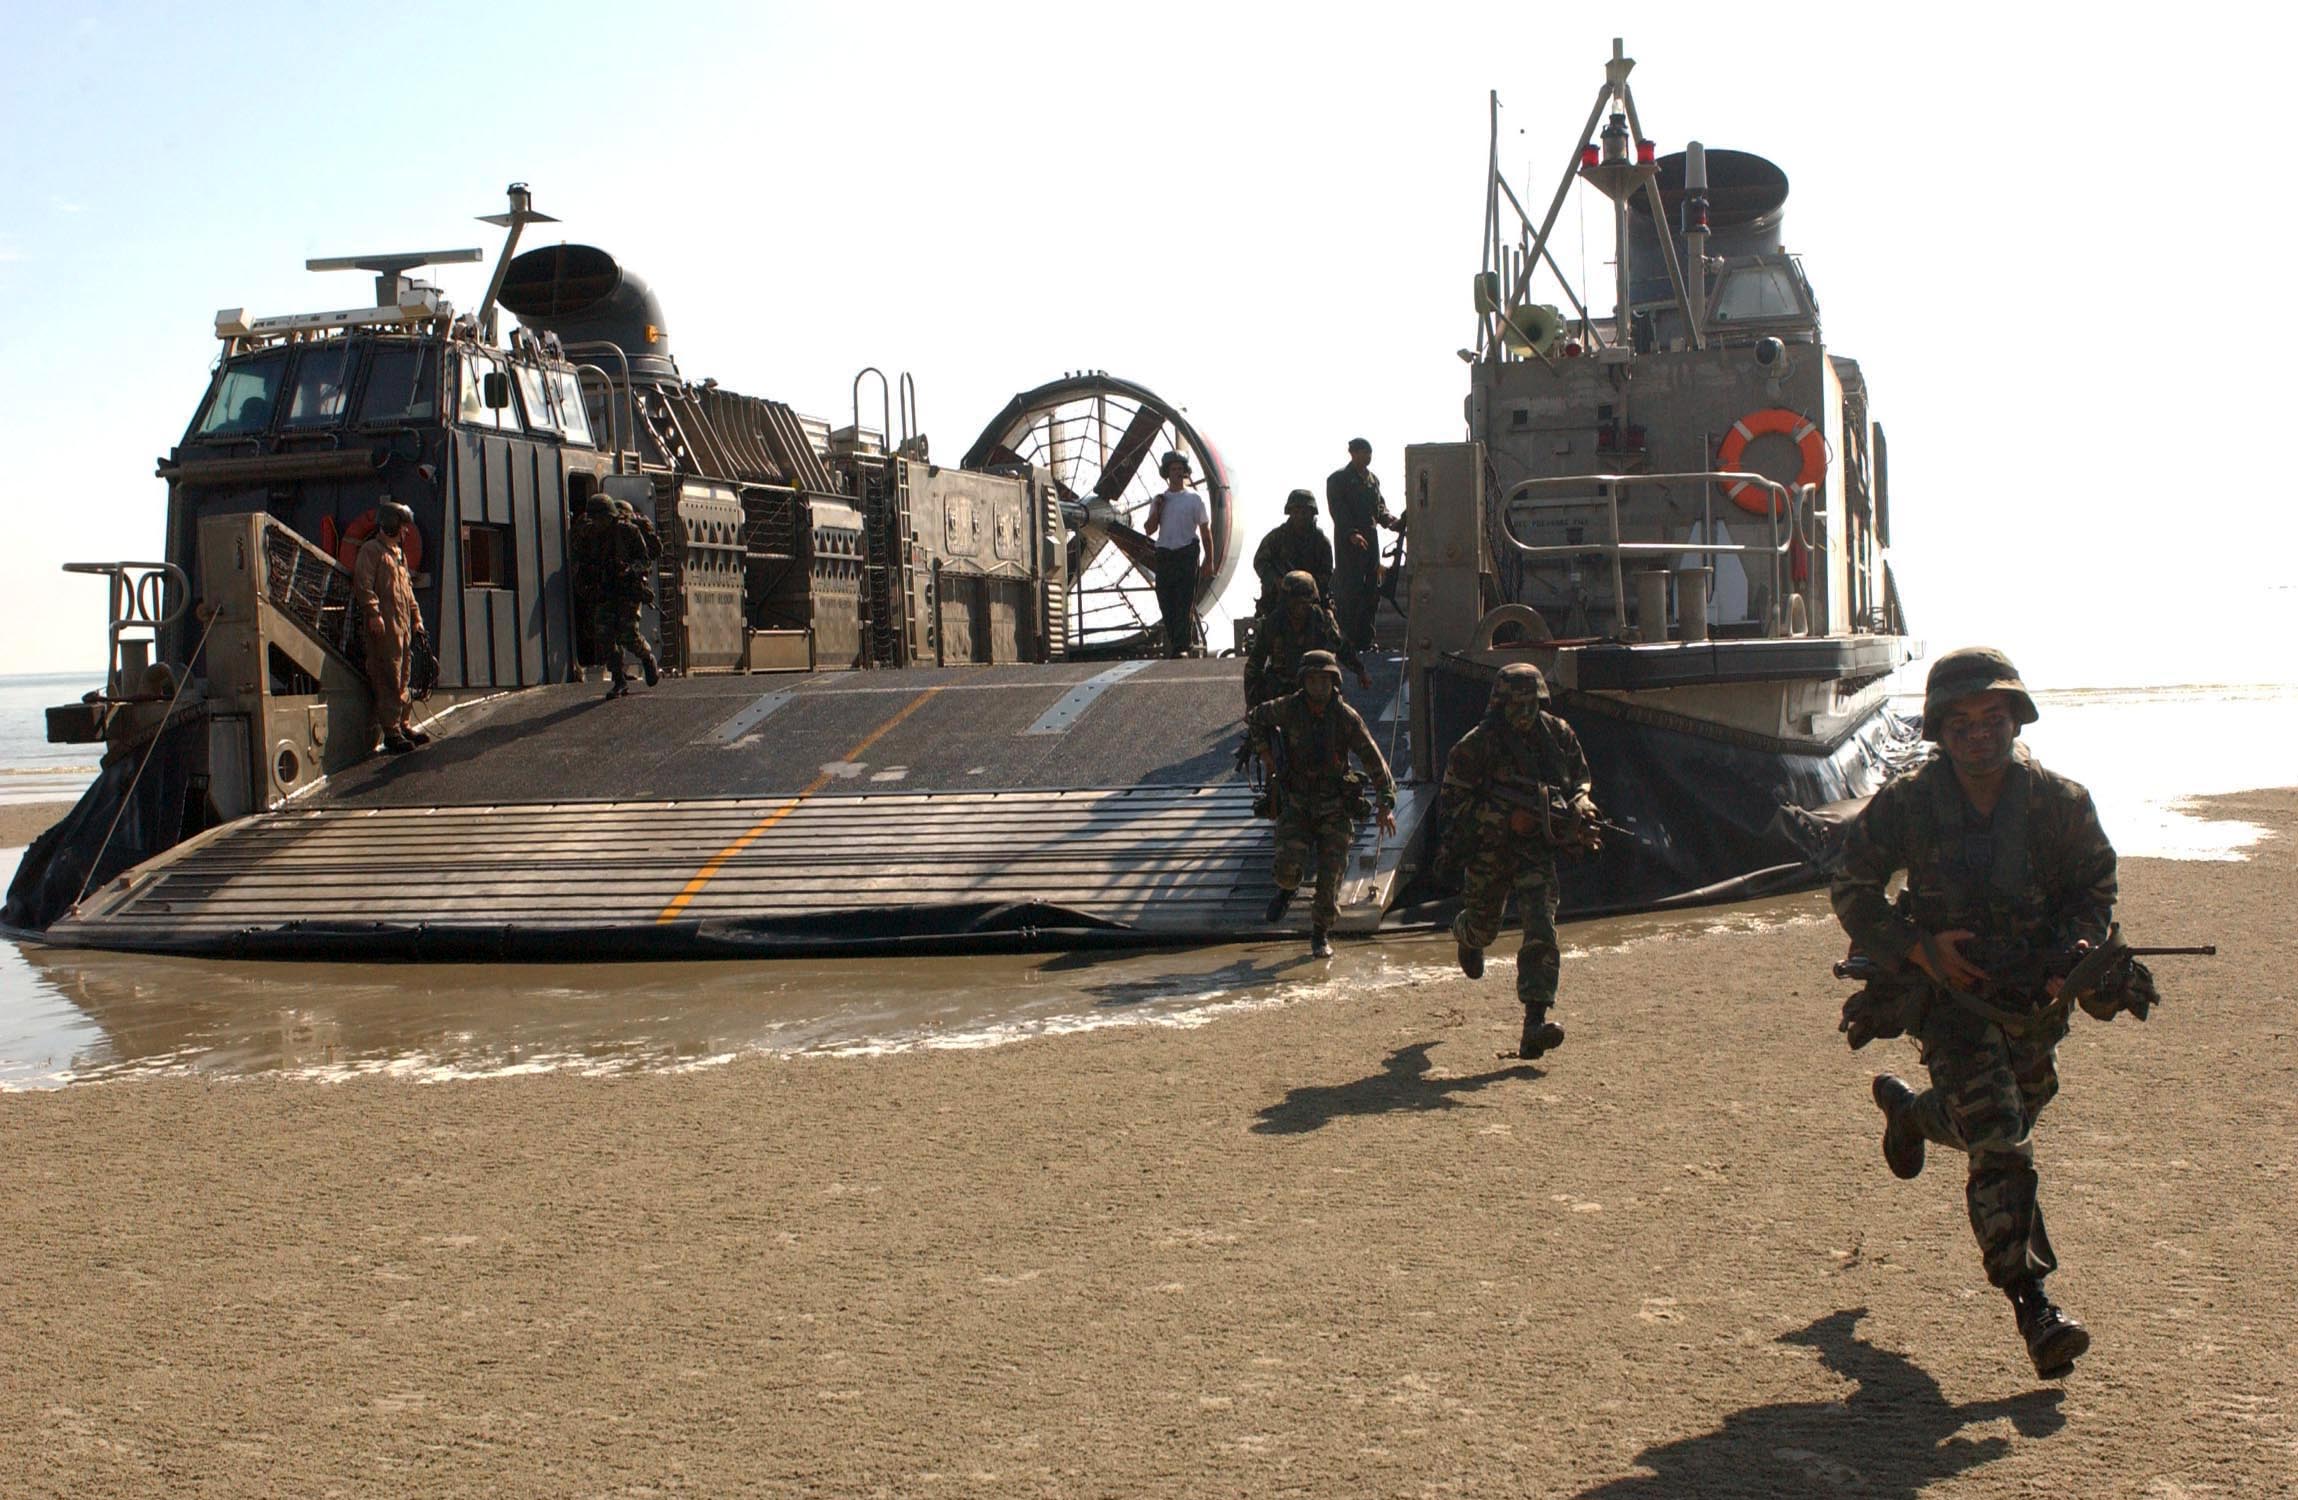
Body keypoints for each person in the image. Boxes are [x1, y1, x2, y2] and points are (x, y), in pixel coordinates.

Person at [1830, 647, 2117, 1381]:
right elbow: (1851, 886)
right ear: (1938, 731)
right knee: (2001, 1138)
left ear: (2016, 718)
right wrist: (1918, 949)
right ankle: (2034, 1304)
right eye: (1960, 722)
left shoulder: (2060, 803)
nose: (1979, 733)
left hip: (2031, 1005)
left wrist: (2077, 950)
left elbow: (2095, 886)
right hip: (1948, 1001)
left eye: (1993, 717)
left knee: (2018, 1108)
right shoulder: (1909, 802)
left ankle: (1914, 1117)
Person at [1437, 663, 1599, 1060]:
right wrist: (1506, 819)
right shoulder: (1475, 746)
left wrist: (1582, 805)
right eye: (1516, 705)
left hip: (1535, 850)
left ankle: (1534, 1023)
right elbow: (1451, 808)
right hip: (1488, 851)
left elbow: (1579, 779)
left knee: (1542, 928)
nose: (1525, 713)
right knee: (1483, 928)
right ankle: (1465, 934)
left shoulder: (1558, 735)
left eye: (1532, 703)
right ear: (1500, 704)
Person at [1246, 649, 1397, 958]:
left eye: (1324, 680)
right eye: (1313, 680)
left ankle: (1320, 934)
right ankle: (1287, 889)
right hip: (1298, 804)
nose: (1318, 687)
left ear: (1334, 683)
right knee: (1287, 868)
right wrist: (1265, 751)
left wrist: (1386, 802)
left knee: (1330, 882)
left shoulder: (1345, 718)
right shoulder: (1288, 709)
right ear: (1304, 681)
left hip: (1335, 808)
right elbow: (1254, 717)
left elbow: (1373, 759)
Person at [352, 498, 428, 754]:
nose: (406, 531)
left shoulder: (398, 555)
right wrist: (373, 614)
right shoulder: (371, 551)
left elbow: (407, 592)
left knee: (404, 673)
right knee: (388, 676)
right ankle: (391, 731)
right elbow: (363, 584)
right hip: (385, 628)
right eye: (403, 526)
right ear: (392, 524)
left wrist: (416, 618)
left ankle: (403, 723)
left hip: (403, 625)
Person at [572, 493, 663, 696]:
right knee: (604, 634)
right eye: (594, 519)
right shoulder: (589, 534)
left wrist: (629, 569)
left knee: (628, 634)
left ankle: (647, 658)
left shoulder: (628, 532)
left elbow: (645, 561)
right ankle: (619, 679)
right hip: (605, 589)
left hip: (627, 589)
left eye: (601, 519)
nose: (597, 523)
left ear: (610, 517)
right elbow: (581, 561)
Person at [1245, 571, 1368, 711]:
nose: (1300, 607)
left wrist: (1360, 670)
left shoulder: (1322, 619)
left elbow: (1341, 646)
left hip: (1313, 682)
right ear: (1286, 601)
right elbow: (1254, 665)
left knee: (1335, 711)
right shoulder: (1273, 623)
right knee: (1261, 714)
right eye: (1295, 602)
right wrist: (1251, 704)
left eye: (1304, 602)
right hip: (1281, 683)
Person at [1325, 437, 1403, 653]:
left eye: (1369, 453)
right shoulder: (1338, 479)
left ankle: (1366, 640)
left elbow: (1379, 508)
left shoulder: (1372, 480)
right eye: (1363, 452)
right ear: (1352, 453)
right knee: (1350, 591)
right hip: (1348, 543)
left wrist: (1393, 522)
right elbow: (1338, 511)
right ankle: (1347, 639)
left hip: (1371, 541)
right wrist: (1351, 534)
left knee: (1371, 592)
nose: (1367, 457)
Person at [1144, 451, 1213, 657]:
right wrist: (1157, 508)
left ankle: (1182, 646)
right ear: (1167, 473)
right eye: (1173, 469)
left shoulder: (1194, 498)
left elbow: (1205, 529)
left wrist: (1209, 560)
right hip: (1165, 553)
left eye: (1180, 469)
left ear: (1185, 472)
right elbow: (1149, 529)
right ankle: (1176, 642)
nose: (1177, 473)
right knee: (1166, 599)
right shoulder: (1160, 499)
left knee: (1184, 601)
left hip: (1187, 553)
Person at [1251, 489, 1335, 617]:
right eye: (1296, 512)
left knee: (1329, 625)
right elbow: (1260, 562)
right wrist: (1276, 581)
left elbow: (1326, 573)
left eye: (1304, 512)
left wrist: (1307, 588)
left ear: (1312, 513)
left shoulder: (1321, 542)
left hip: (1311, 601)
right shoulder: (1276, 538)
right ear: (1290, 513)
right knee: (1266, 628)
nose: (1300, 516)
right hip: (1279, 600)